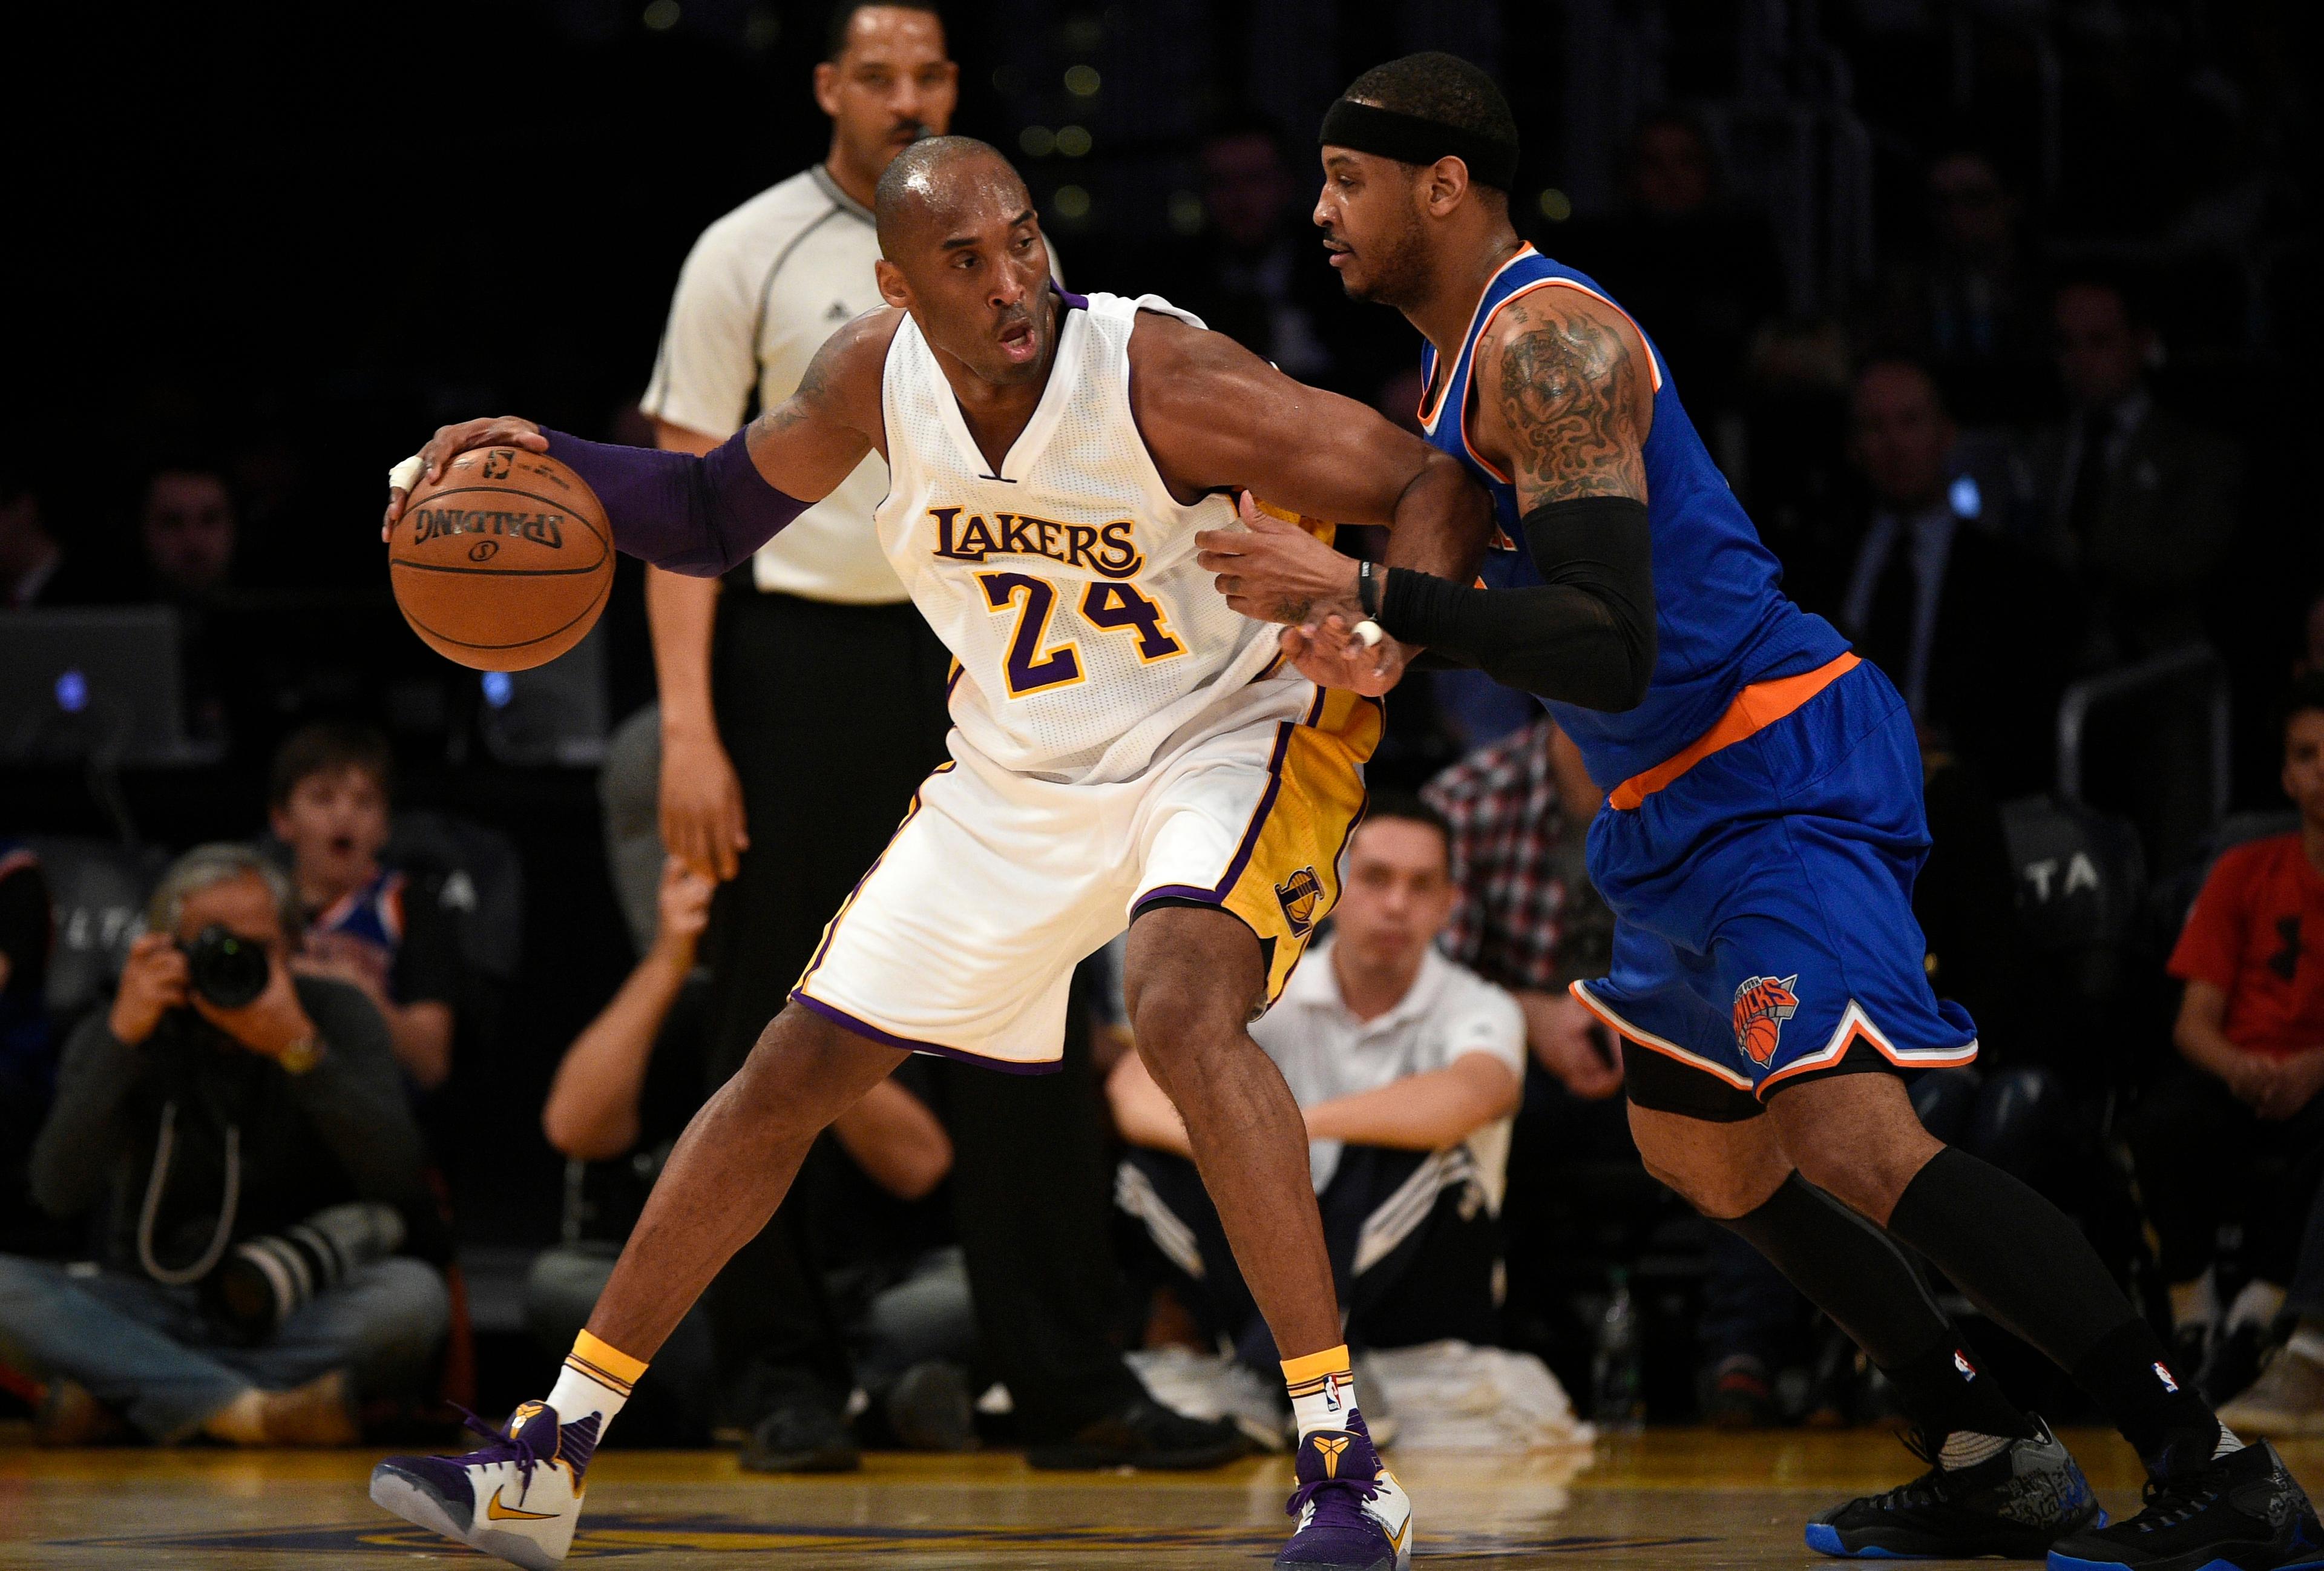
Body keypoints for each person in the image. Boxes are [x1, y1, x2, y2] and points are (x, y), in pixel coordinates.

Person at [1207, 50, 2317, 1570]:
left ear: (1442, 183)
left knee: (1854, 1136)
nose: (1321, 212)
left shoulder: (1552, 343)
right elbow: (1442, 584)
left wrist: (1359, 586)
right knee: (1702, 1156)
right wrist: (1365, 637)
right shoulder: (1461, 365)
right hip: (1670, 799)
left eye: (1345, 181)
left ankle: (2210, 1464)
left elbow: (1610, 635)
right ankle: (1987, 1449)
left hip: (1773, 761)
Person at [369, 132, 1495, 1570]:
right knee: (786, 1070)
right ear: (899, 286)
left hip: (1222, 731)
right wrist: (543, 454)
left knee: (1174, 1001)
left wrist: (1384, 623)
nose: (1013, 280)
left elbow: (1434, 476)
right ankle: (548, 1458)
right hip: (1016, 767)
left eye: (1024, 239)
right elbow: (713, 516)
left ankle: (1343, 1469)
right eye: (966, 261)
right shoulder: (867, 375)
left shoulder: (1158, 379)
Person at [633, 2, 1200, 1474]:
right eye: (874, 75)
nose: (902, 95)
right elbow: (689, 504)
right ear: (827, 88)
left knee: (1033, 1004)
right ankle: (780, 1374)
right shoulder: (741, 249)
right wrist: (688, 728)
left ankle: (1067, 1380)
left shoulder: (1004, 242)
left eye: (928, 73)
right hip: (802, 649)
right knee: (781, 1007)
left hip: (988, 637)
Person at [0, 845, 448, 1446]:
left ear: (293, 947)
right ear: (167, 949)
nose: (235, 962)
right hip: (146, 1305)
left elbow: (398, 1177)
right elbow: (57, 1191)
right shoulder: (128, 1021)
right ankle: (253, 1412)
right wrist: (121, 1046)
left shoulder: (336, 1015)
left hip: (294, 1306)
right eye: (213, 944)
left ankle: (139, 1401)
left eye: (258, 947)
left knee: (412, 1300)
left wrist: (300, 1050)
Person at [1109, 797, 1522, 1403]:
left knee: (1414, 1161)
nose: (1396, 904)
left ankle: (1264, 1375)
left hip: (1420, 1290)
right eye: (1377, 878)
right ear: (1334, 885)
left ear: (1447, 905)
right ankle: (1279, 1370)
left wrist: (1278, 1132)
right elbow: (1130, 1086)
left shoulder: (1482, 1005)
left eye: (1420, 885)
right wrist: (1238, 1145)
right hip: (1269, 1257)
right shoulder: (1272, 986)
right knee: (1151, 1170)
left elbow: (1468, 1097)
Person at [2124, 677, 2324, 1392]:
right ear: (2286, 774)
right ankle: (2192, 1311)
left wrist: (2313, 1066)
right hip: (2243, 1077)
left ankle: (2262, 1315)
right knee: (2163, 1121)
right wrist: (2242, 1068)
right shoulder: (2244, 870)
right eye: (2307, 754)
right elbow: (2193, 1021)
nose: (2322, 770)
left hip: (2318, 1085)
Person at [1836, 357, 2068, 797]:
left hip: (1953, 790)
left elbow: (2021, 720)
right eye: (1874, 427)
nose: (1895, 444)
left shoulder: (2013, 577)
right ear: (1853, 447)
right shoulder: (1821, 562)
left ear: (1947, 432)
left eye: (1910, 421)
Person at [2029, 274, 2243, 669]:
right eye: (2066, 343)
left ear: (2141, 342)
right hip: (2048, 668)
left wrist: (2078, 553)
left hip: (2157, 674)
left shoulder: (2198, 454)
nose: (2080, 360)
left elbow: (2183, 564)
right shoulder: (2039, 450)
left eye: (2098, 341)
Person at [266, 723, 465, 1092]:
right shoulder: (255, 904)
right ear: (282, 820)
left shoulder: (411, 904)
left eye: (364, 801)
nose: (344, 815)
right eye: (323, 798)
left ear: (385, 826)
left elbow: (432, 1063)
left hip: (376, 1108)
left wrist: (363, 1000)